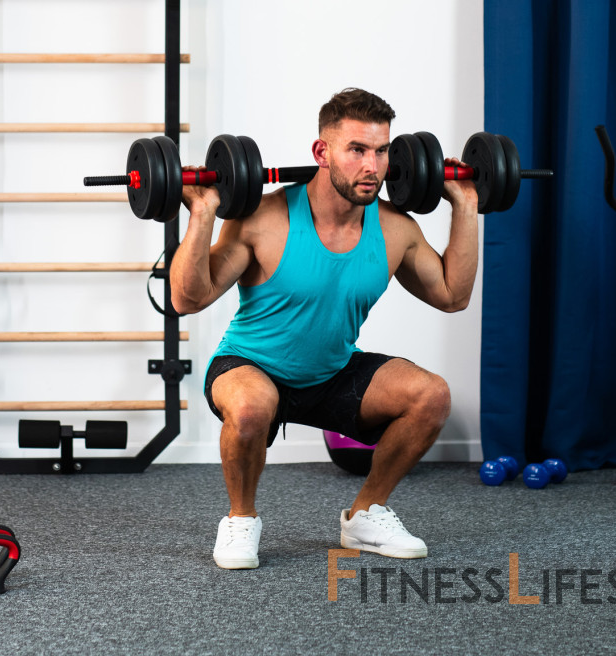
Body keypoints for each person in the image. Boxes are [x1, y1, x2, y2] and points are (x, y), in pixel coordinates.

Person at [169, 88, 479, 570]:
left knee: (431, 395)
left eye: (381, 151)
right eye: (357, 150)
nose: (372, 166)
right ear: (322, 152)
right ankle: (241, 518)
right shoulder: (264, 219)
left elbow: (452, 296)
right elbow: (187, 299)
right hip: (251, 365)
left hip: (331, 372)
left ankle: (366, 514)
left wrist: (466, 204)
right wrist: (203, 212)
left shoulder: (395, 228)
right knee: (251, 407)